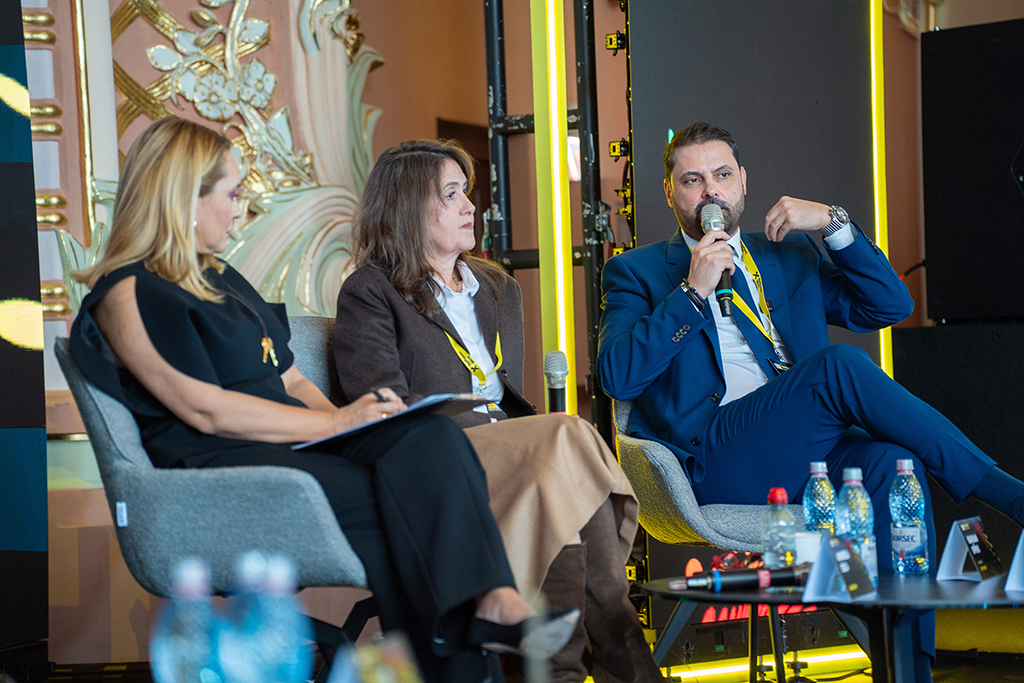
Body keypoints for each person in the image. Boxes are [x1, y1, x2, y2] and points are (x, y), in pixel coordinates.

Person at [67, 118, 580, 683]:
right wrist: (338, 423)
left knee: (428, 434)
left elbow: (291, 382)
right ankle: (473, 639)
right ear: (184, 197)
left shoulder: (223, 277)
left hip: (293, 444)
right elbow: (203, 410)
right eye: (232, 195)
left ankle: (489, 609)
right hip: (220, 462)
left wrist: (351, 425)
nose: (241, 209)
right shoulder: (125, 292)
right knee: (404, 505)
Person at [597, 121, 1024, 682]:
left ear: (743, 181)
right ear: (670, 192)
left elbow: (889, 306)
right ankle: (1010, 496)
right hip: (717, 459)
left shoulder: (787, 256)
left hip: (805, 450)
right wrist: (692, 293)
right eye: (692, 180)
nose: (710, 191)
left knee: (897, 466)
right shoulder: (638, 271)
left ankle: (908, 673)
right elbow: (617, 377)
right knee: (838, 366)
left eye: (722, 175)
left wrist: (833, 224)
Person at [333, 139, 665, 683]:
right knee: (566, 436)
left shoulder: (498, 288)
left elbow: (509, 393)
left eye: (467, 192)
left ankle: (564, 668)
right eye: (452, 195)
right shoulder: (370, 291)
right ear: (408, 207)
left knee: (558, 467)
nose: (471, 206)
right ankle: (621, 655)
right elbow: (380, 403)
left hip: (518, 451)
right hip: (439, 456)